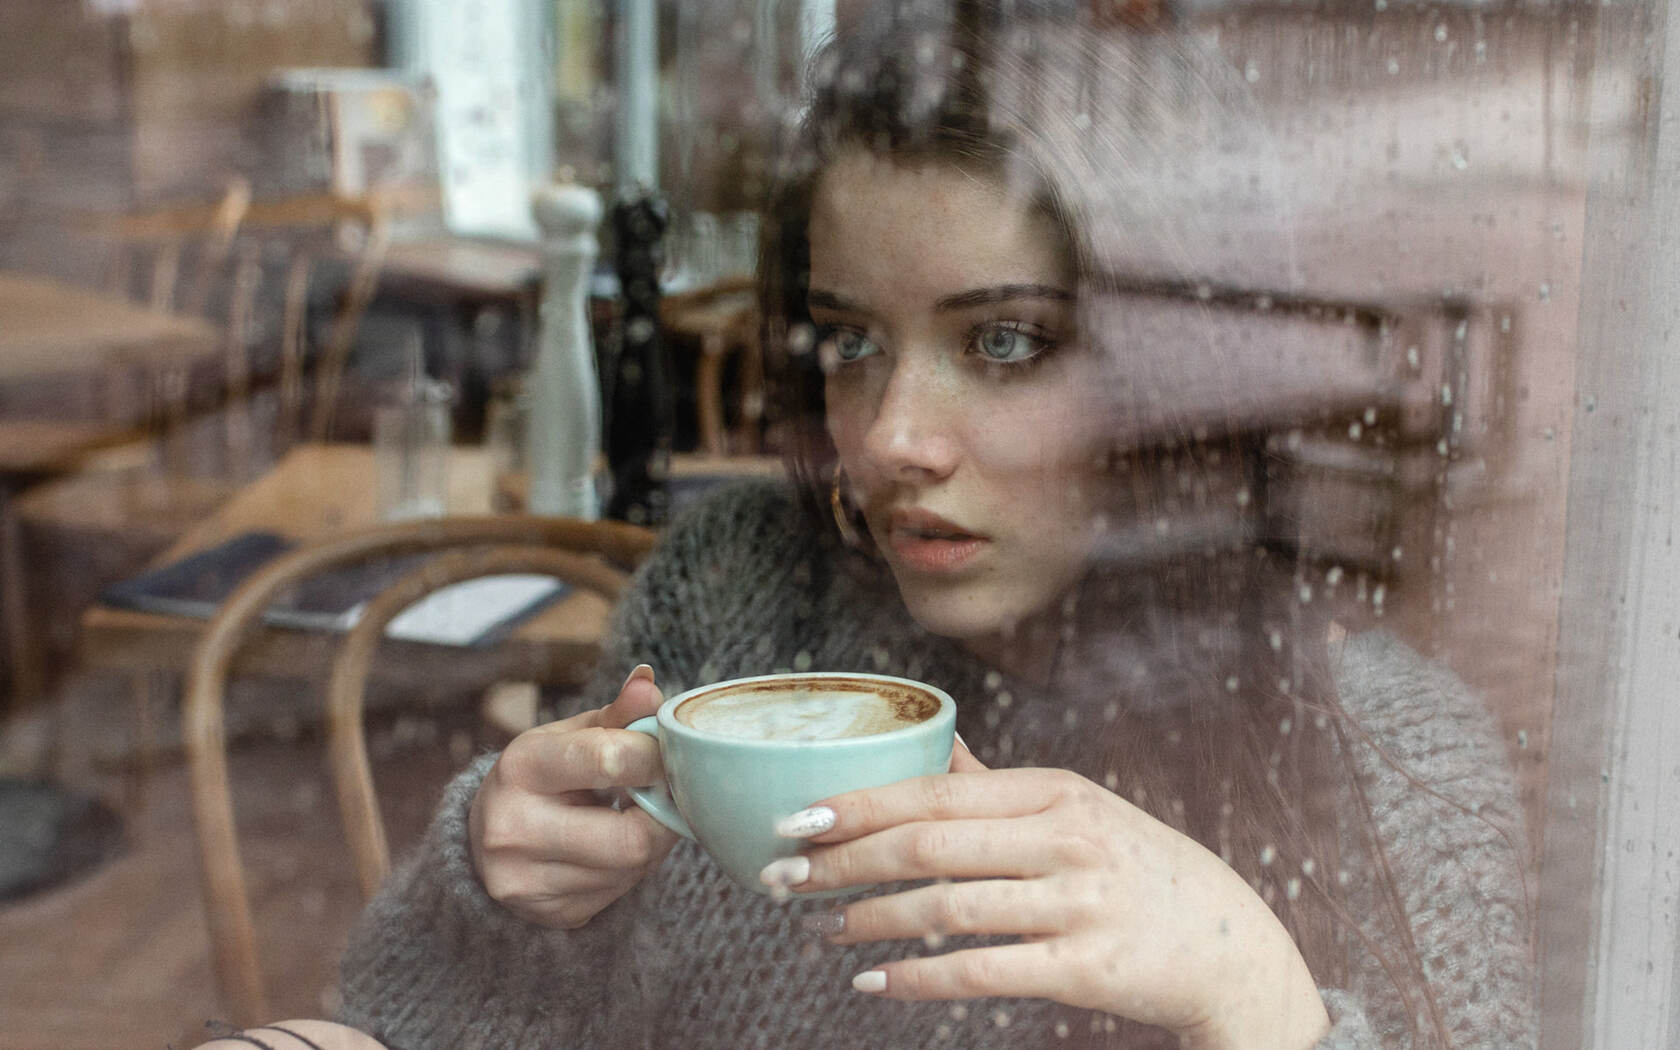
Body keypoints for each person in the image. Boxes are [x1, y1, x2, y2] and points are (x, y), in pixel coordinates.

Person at [197, 5, 1533, 1049]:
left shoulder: (1398, 761)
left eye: (1005, 340)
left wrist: (1258, 995)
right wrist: (506, 894)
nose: (891, 433)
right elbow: (455, 1019)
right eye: (848, 340)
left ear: (1181, 375)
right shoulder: (736, 595)